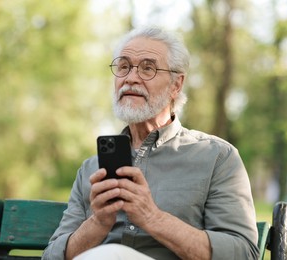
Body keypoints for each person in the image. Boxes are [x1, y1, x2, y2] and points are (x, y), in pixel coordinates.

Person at [42, 26, 259, 260]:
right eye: (123, 67)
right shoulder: (90, 170)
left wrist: (152, 217)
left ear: (176, 85)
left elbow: (243, 253)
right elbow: (52, 256)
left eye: (148, 68)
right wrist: (98, 223)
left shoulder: (217, 157)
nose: (130, 78)